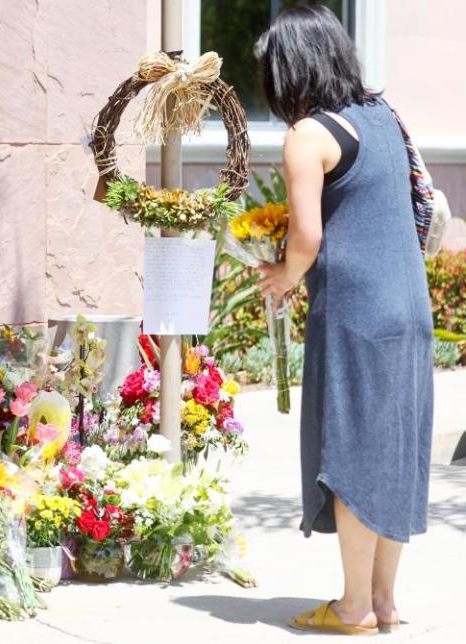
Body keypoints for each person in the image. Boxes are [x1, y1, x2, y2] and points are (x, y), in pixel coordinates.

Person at [255, 6, 432, 636]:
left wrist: (283, 274)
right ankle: (384, 601)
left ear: (290, 69)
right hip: (410, 307)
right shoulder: (383, 117)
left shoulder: (308, 135)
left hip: (358, 313)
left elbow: (307, 233)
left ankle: (353, 607)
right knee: (394, 452)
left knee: (355, 455)